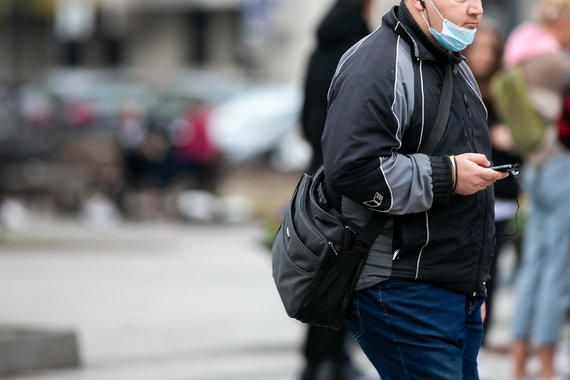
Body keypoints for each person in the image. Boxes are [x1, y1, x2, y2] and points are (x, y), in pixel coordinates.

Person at [320, 0, 509, 379]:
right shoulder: (378, 63)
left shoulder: (454, 61)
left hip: (453, 289)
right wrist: (448, 176)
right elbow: (352, 167)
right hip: (404, 289)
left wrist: (475, 285)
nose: (476, 8)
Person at [299, 1, 372, 379]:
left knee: (321, 270)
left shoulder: (316, 51)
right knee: (347, 270)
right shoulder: (364, 48)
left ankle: (314, 360)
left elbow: (305, 119)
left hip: (317, 174)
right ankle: (334, 360)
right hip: (350, 174)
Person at [503, 1, 570, 379]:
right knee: (556, 269)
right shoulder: (556, 64)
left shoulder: (521, 56)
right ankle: (545, 362)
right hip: (562, 165)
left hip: (534, 167)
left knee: (532, 267)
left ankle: (517, 359)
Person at [462, 19, 522, 349]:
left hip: (503, 195)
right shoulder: (458, 84)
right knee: (469, 269)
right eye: (479, 48)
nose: (485, 56)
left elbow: (520, 139)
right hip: (469, 192)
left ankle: (482, 338)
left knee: (494, 271)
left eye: (491, 50)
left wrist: (511, 142)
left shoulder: (503, 89)